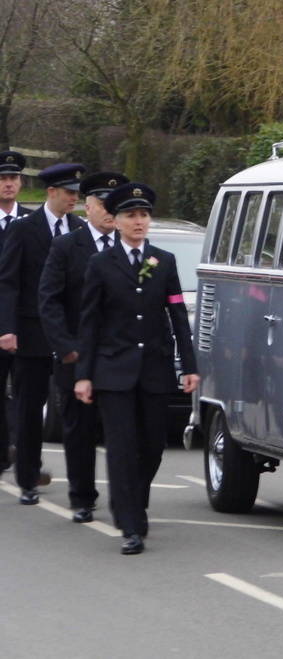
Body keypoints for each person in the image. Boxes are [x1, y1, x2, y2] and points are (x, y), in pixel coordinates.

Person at [74, 183, 199, 555]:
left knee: (154, 445)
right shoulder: (99, 264)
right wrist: (84, 373)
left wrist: (189, 366)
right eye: (131, 215)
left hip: (154, 370)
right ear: (117, 221)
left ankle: (134, 499)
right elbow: (89, 321)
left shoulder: (164, 260)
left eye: (144, 215)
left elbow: (177, 313)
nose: (139, 221)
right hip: (113, 371)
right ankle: (129, 522)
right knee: (122, 447)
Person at [38, 172, 128, 523]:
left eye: (113, 204)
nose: (108, 211)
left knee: (123, 432)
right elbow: (49, 301)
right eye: (102, 204)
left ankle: (127, 499)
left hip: (119, 356)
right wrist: (67, 348)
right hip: (77, 354)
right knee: (79, 429)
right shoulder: (66, 247)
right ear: (87, 206)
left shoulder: (131, 249)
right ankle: (82, 497)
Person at [0, 162, 86, 503]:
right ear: (51, 193)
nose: (73, 200)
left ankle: (80, 483)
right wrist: (7, 328)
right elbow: (8, 282)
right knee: (29, 405)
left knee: (72, 408)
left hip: (68, 334)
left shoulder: (78, 228)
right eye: (68, 193)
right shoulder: (25, 228)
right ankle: (28, 477)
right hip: (31, 332)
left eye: (77, 194)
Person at [0, 150, 33, 474]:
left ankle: (22, 456)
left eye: (13, 179)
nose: (8, 184)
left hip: (22, 324)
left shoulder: (29, 222)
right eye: (3, 179)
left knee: (25, 393)